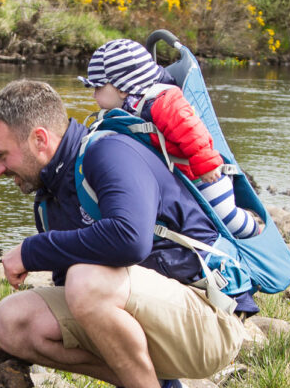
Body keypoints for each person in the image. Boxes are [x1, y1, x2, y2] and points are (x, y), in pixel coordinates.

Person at [0, 79, 253, 388]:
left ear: (40, 139)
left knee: (87, 283)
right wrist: (10, 344)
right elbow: (79, 309)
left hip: (208, 320)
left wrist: (30, 250)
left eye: (0, 155)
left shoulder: (109, 152)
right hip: (158, 318)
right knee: (14, 320)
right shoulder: (50, 196)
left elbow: (130, 241)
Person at [78, 38, 259, 239]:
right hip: (181, 180)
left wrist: (207, 165)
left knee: (228, 219)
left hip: (203, 176)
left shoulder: (163, 103)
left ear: (122, 88)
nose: (94, 96)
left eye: (98, 88)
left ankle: (257, 236)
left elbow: (192, 132)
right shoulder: (128, 110)